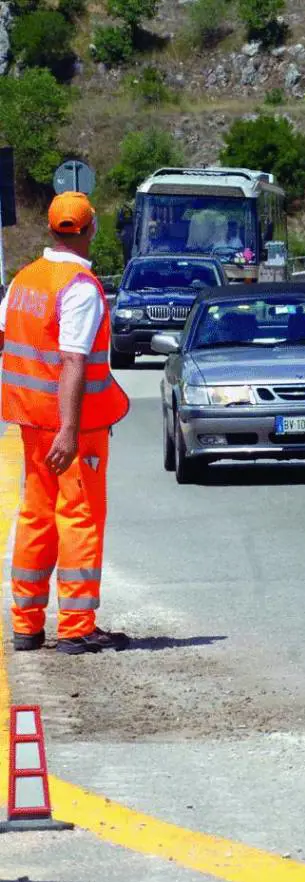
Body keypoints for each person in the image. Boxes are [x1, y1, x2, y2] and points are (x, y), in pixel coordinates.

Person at [0, 191, 130, 655]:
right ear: (91, 228)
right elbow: (73, 361)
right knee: (79, 516)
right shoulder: (78, 287)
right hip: (74, 429)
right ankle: (76, 625)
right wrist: (70, 431)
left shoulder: (24, 281)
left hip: (30, 423)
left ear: (51, 228)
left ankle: (26, 624)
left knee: (35, 516)